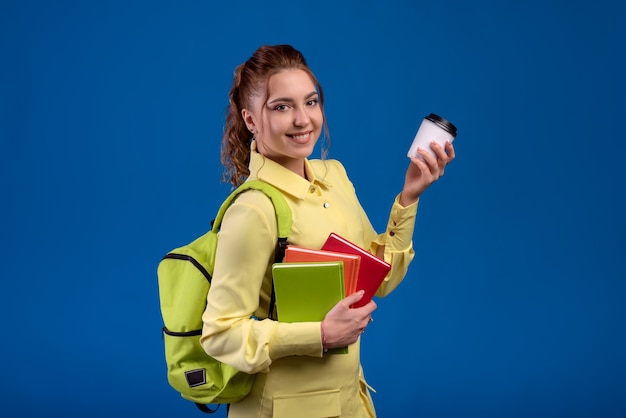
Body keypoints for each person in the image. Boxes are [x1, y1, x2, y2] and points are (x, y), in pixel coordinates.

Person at [200, 44, 455, 418]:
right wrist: (319, 334)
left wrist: (408, 196)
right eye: (281, 106)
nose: (303, 119)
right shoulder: (254, 209)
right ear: (251, 120)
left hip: (350, 402)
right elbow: (219, 335)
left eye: (311, 101)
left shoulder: (333, 176)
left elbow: (379, 280)